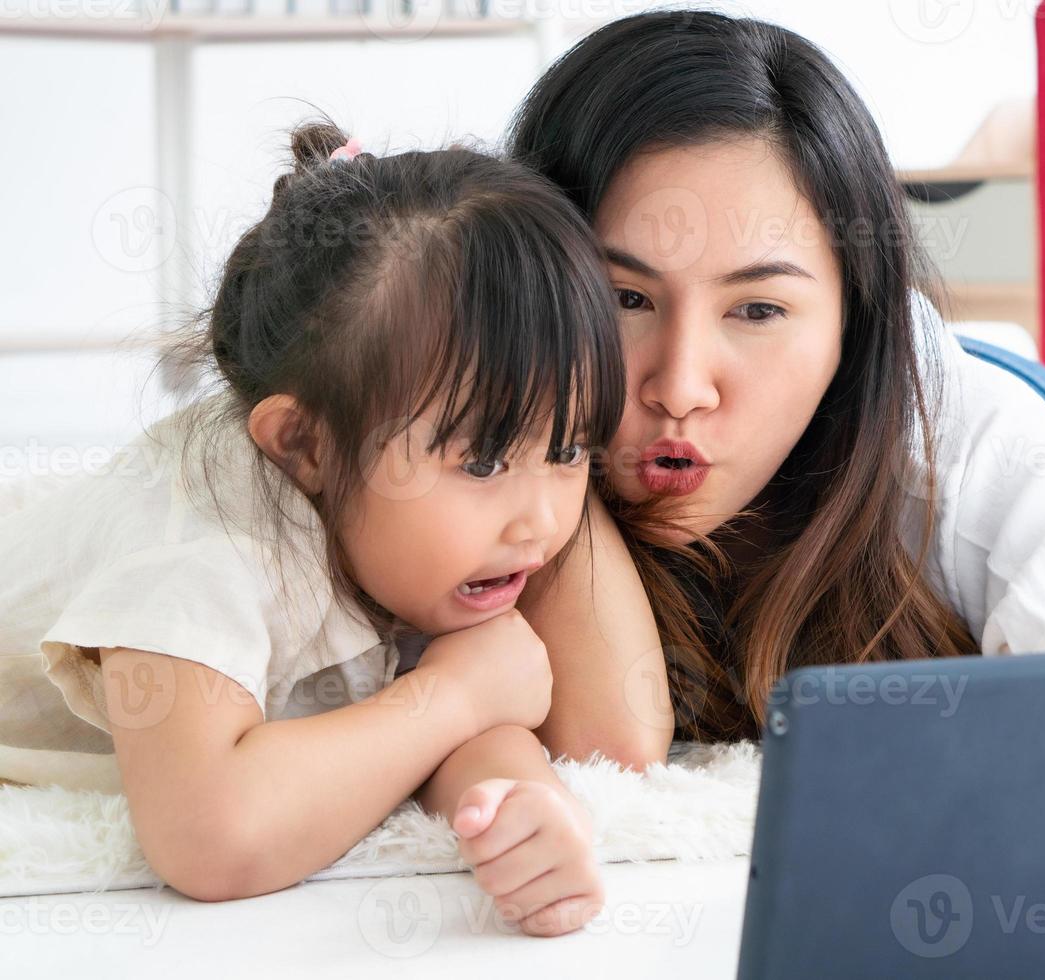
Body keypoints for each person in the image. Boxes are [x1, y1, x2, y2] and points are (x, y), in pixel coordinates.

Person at [501, 12, 1045, 971]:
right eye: (624, 298)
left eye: (758, 308)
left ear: (851, 323)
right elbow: (607, 739)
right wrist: (545, 441)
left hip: (1031, 419)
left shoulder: (964, 442)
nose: (680, 384)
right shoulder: (477, 407)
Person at [0, 120, 616, 933]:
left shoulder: (423, 532)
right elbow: (212, 837)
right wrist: (454, 695)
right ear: (302, 444)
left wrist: (513, 800)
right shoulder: (199, 547)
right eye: (482, 462)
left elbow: (449, 717)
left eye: (568, 447)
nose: (543, 520)